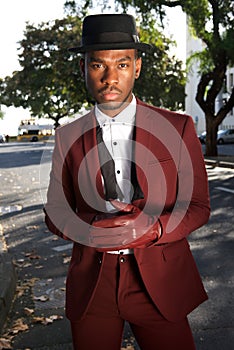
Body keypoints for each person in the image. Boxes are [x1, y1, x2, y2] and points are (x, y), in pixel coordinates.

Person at [44, 13, 210, 350]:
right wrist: (89, 229)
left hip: (159, 281)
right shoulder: (67, 137)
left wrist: (156, 229)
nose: (109, 78)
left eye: (121, 64)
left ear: (137, 67)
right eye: (97, 65)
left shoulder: (177, 127)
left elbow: (198, 206)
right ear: (83, 69)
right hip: (94, 284)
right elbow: (55, 212)